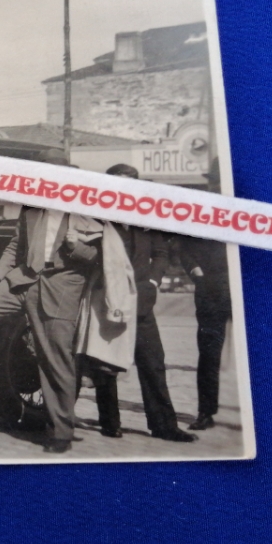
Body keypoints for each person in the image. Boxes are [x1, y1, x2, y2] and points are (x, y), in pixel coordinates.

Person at [0, 204, 103, 453]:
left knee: (55, 357)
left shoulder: (85, 211)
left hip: (62, 284)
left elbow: (98, 257)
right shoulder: (30, 209)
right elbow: (14, 247)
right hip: (24, 277)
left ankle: (61, 432)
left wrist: (76, 247)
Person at [88, 164, 196, 443]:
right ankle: (110, 422)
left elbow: (161, 253)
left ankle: (164, 425)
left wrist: (153, 282)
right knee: (106, 363)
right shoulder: (98, 216)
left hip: (142, 301)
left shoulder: (144, 215)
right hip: (108, 299)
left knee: (153, 362)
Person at [174, 234, 231, 430]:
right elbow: (183, 249)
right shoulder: (198, 217)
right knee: (209, 354)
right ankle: (206, 412)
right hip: (211, 288)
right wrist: (196, 271)